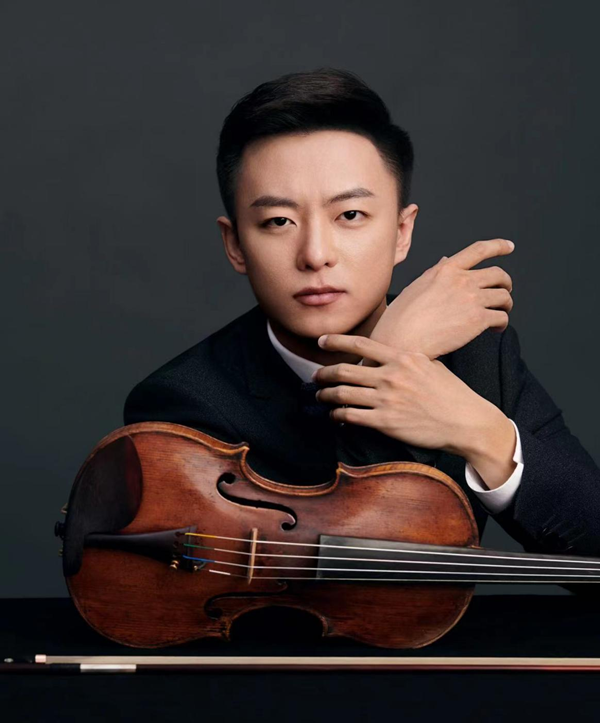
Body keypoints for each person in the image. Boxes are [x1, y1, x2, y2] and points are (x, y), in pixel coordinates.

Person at [123, 68, 600, 592]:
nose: (316, 255)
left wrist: (482, 433)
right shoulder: (181, 404)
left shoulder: (478, 356)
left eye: (350, 214)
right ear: (236, 244)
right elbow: (354, 595)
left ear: (401, 233)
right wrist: (387, 357)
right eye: (278, 222)